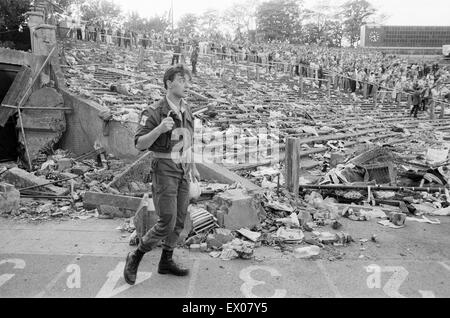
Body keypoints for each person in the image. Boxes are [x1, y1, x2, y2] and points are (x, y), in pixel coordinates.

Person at [124, 65, 200, 285]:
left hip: (182, 168)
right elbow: (138, 144)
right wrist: (159, 130)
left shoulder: (186, 109)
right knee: (166, 220)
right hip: (164, 168)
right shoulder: (154, 111)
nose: (187, 84)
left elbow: (188, 141)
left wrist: (192, 164)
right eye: (181, 80)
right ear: (169, 83)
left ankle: (166, 259)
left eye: (187, 80)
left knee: (179, 218)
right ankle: (136, 255)